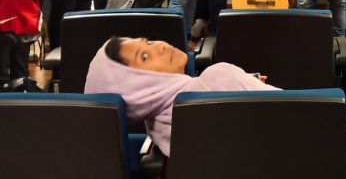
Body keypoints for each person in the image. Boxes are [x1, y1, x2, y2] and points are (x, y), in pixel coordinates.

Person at [85, 36, 279, 157]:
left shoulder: (155, 127)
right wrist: (241, 81)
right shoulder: (219, 77)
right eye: (144, 56)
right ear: (136, 87)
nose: (160, 45)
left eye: (149, 42)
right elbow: (291, 112)